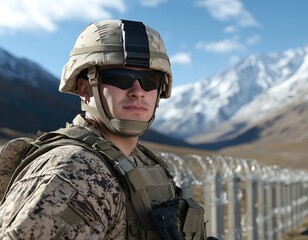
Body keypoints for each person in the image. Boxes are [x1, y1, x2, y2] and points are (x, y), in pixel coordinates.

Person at [0, 19, 207, 239]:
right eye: (120, 78)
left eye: (149, 81)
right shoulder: (74, 171)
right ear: (85, 88)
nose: (138, 91)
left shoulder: (140, 161)